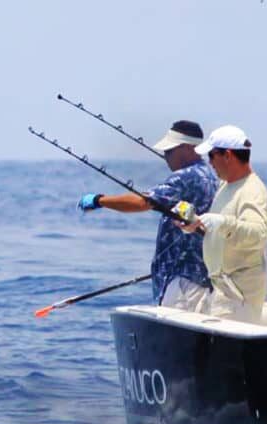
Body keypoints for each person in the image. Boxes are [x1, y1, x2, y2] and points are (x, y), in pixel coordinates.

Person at [78, 120, 218, 310]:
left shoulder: (184, 177)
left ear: (187, 148)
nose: (165, 155)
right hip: (202, 275)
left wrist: (99, 200)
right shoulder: (210, 175)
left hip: (182, 281)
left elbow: (144, 202)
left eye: (169, 150)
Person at [177, 125, 267, 323]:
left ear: (227, 155)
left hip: (239, 295)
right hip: (222, 289)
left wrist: (222, 222)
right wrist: (196, 224)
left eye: (211, 156)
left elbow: (259, 234)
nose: (209, 163)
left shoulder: (252, 190)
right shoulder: (226, 186)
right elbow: (223, 230)